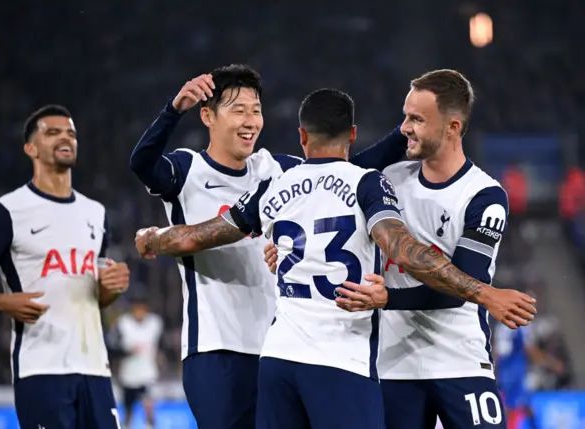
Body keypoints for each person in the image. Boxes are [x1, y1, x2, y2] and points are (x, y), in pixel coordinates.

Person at [134, 88, 536, 429]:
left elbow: (199, 236)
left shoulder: (276, 185)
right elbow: (401, 249)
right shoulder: (367, 183)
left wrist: (154, 238)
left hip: (278, 361)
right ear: (353, 134)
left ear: (302, 137)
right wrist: (484, 293)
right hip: (340, 359)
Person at [129, 64, 407, 429]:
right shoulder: (188, 168)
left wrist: (406, 133)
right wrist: (172, 110)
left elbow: (344, 167)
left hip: (276, 349)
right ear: (208, 115)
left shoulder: (276, 169)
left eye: (256, 110)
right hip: (216, 350)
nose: (250, 121)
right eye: (238, 110)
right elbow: (142, 164)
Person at [275, 69, 530, 429]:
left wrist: (387, 299)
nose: (404, 128)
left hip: (460, 360)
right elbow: (328, 182)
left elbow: (462, 288)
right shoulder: (386, 180)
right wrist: (291, 244)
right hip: (393, 364)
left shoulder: (483, 196)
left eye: (417, 119)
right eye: (404, 117)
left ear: (453, 128)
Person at [0, 105, 130, 429]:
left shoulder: (96, 213)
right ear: (31, 148)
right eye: (52, 132)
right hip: (41, 369)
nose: (65, 138)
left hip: (95, 370)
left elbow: (97, 299)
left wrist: (111, 287)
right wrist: (3, 302)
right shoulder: (5, 211)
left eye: (71, 133)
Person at [114, 294, 164, 429]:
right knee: (129, 410)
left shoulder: (155, 323)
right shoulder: (123, 323)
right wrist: (128, 350)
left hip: (147, 373)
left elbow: (160, 347)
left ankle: (150, 426)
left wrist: (160, 367)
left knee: (148, 405)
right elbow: (114, 348)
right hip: (128, 375)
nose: (139, 310)